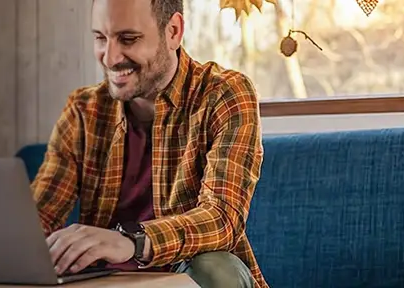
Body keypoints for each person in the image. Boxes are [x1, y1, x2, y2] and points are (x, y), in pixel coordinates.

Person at [32, 0, 266, 287]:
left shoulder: (224, 94)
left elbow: (221, 219)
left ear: (173, 31)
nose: (110, 57)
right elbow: (39, 216)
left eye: (128, 39)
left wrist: (132, 240)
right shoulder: (84, 110)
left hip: (187, 278)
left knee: (215, 267)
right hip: (109, 282)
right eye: (100, 38)